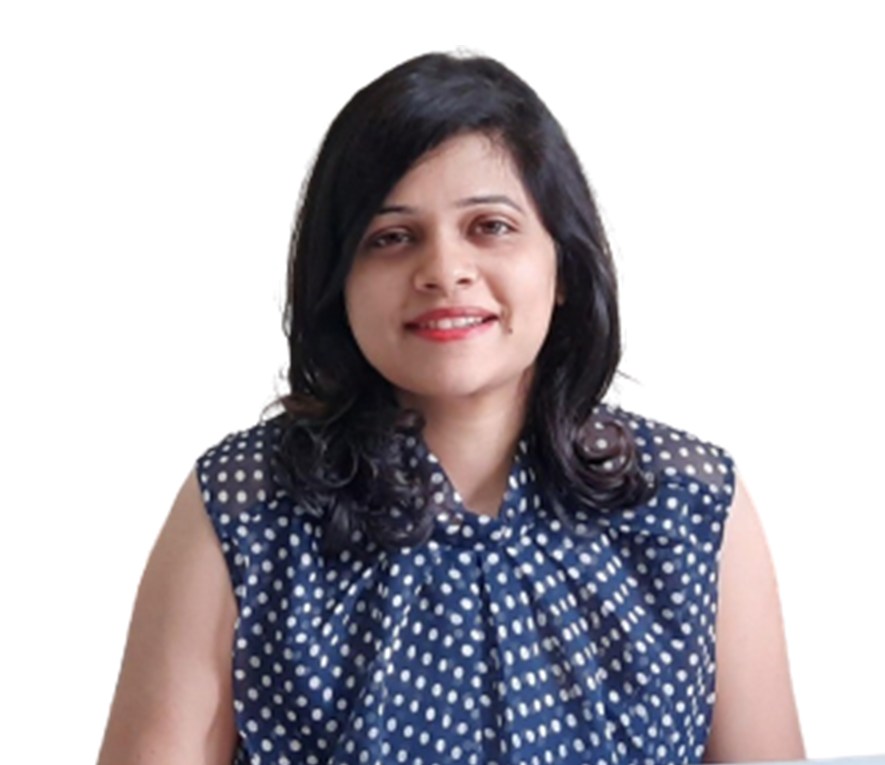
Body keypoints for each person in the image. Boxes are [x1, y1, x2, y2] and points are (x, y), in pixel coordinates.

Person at [99, 56, 804, 765]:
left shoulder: (690, 505)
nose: (443, 270)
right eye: (391, 237)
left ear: (561, 266)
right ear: (339, 282)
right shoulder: (243, 509)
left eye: (490, 226)